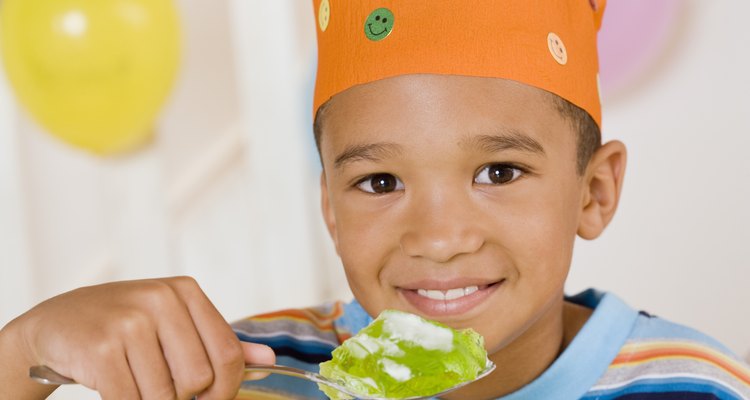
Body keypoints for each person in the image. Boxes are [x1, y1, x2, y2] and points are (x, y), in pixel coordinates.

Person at [1, 1, 748, 399]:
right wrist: (27, 350)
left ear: (595, 190)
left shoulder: (698, 388)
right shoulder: (249, 372)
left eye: (498, 172)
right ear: (330, 205)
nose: (441, 237)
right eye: (381, 183)